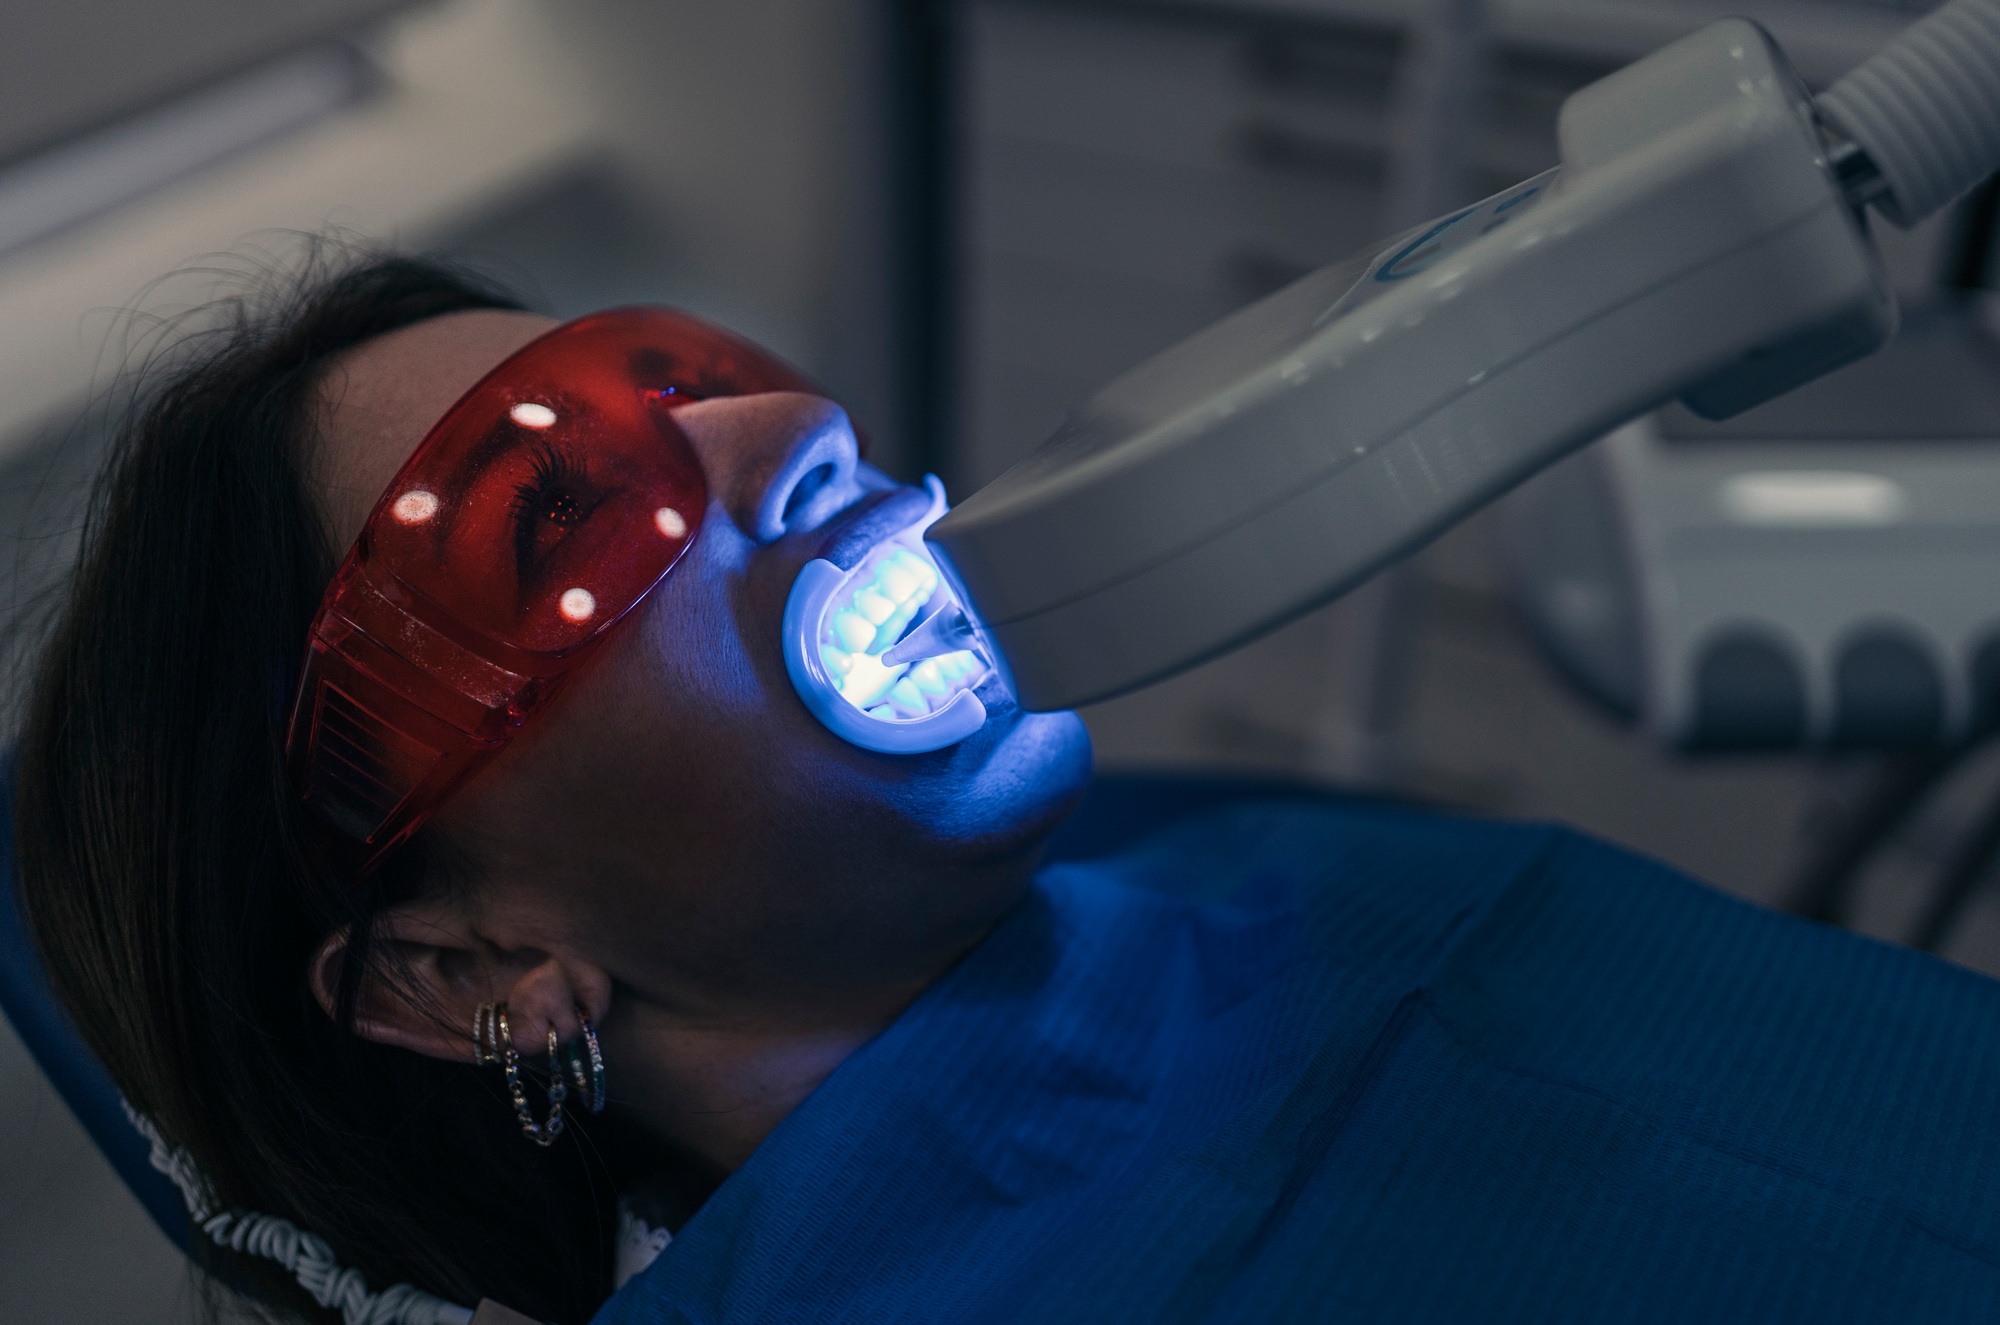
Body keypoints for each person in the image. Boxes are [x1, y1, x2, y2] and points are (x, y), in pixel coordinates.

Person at [14, 253, 2000, 1325]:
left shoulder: (1289, 879)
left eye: (686, 375)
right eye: (565, 519)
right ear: (469, 975)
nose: (797, 428)